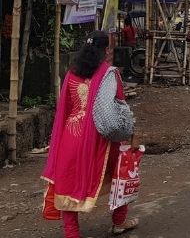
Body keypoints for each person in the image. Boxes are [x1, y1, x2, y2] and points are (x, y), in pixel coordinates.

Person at [42, 31, 139, 237]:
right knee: (119, 174)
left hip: (70, 135)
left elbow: (64, 109)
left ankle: (72, 233)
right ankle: (119, 222)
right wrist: (130, 133)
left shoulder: (71, 73)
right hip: (100, 137)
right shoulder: (110, 73)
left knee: (67, 180)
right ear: (106, 50)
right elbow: (120, 107)